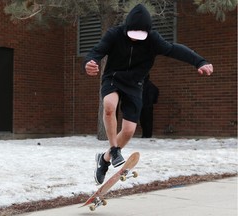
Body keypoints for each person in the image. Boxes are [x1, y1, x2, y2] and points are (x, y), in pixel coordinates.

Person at [84, 4, 213, 185]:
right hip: (113, 79)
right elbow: (95, 52)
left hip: (135, 84)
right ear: (126, 28)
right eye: (132, 36)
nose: (136, 40)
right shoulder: (114, 34)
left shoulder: (153, 39)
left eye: (140, 36)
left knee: (129, 131)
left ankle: (104, 159)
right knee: (109, 107)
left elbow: (175, 49)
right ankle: (114, 150)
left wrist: (199, 61)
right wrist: (90, 63)